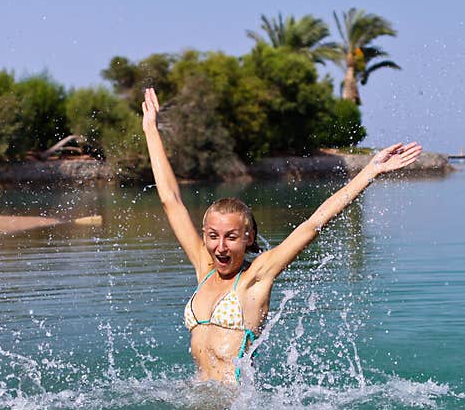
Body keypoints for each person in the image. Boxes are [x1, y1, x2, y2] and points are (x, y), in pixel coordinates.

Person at [141, 87, 422, 384]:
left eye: (231, 237)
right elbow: (171, 200)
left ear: (248, 238)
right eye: (213, 236)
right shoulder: (204, 268)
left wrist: (369, 173)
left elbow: (313, 224)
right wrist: (150, 130)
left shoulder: (258, 276)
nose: (220, 247)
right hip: (195, 398)